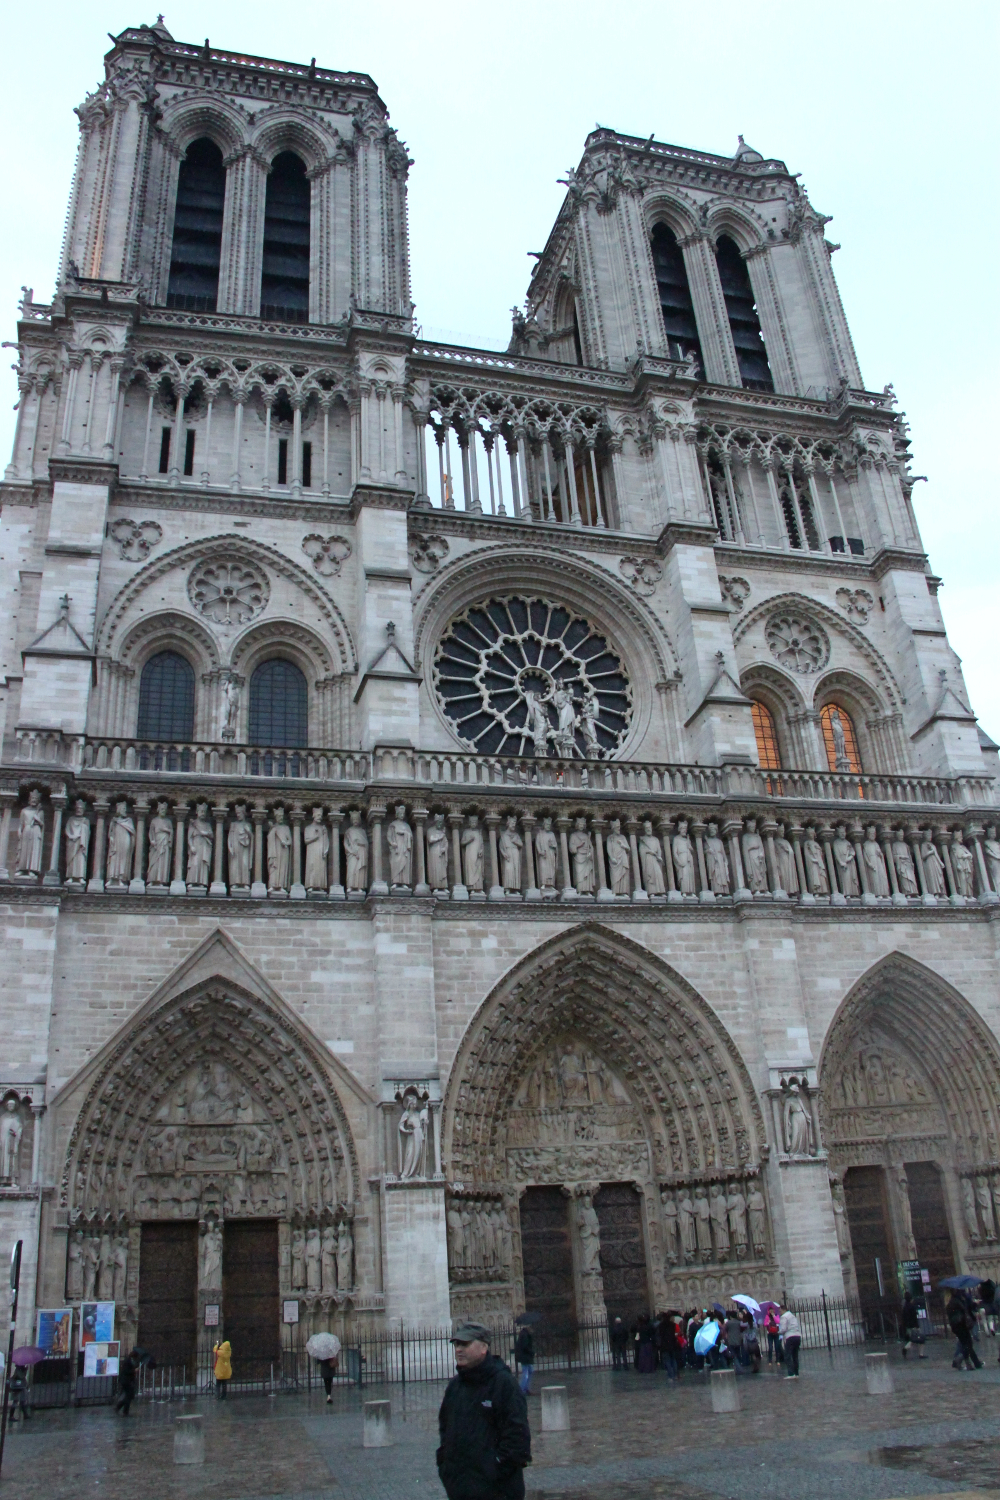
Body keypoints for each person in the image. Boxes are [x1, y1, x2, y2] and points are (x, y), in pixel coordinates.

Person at [437, 1322, 531, 1500]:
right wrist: (446, 1466)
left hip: (497, 1491)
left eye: (465, 1344)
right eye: (456, 1344)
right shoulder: (454, 1387)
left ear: (483, 1348)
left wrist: (493, 1469)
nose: (458, 1349)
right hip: (461, 1490)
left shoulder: (503, 1384)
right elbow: (445, 1428)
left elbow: (517, 1437)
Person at [948, 1292, 983, 1370]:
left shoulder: (951, 1302)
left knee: (966, 1344)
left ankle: (972, 1364)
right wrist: (974, 1304)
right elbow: (966, 1310)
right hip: (962, 1325)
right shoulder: (958, 1302)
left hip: (957, 1326)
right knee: (968, 1345)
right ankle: (959, 1360)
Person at [900, 1291, 927, 1359]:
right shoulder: (912, 1307)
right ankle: (921, 1354)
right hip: (914, 1326)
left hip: (908, 1326)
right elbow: (914, 1317)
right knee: (921, 1339)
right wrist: (917, 1326)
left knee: (912, 1339)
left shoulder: (905, 1307)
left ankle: (905, 1348)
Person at [114, 1349, 141, 1416]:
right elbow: (126, 1371)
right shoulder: (128, 1361)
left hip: (127, 1381)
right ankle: (124, 1410)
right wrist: (134, 1371)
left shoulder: (130, 1361)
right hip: (126, 1381)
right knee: (129, 1396)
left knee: (129, 1395)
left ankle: (120, 1408)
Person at [778, 1306, 801, 1378]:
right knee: (795, 1355)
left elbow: (783, 1329)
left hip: (790, 1336)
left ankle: (791, 1373)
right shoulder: (792, 1316)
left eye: (780, 1310)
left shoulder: (784, 1317)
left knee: (787, 1355)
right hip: (797, 1335)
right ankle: (796, 1373)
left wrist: (778, 1332)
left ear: (784, 1310)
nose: (780, 1312)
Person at [513, 1325, 534, 1395]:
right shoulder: (525, 1335)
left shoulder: (525, 1334)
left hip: (525, 1356)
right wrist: (532, 1352)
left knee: (529, 1371)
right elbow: (525, 1346)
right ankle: (522, 1389)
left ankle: (525, 1388)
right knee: (526, 1373)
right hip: (525, 1357)